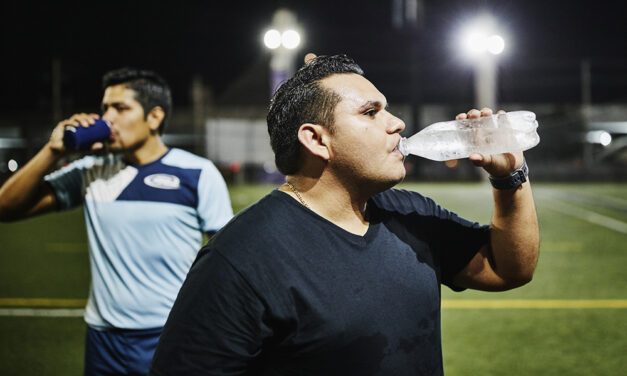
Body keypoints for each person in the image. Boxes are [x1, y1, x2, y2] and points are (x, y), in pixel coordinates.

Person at [149, 54, 539, 376]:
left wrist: (509, 178)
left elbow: (508, 269)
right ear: (317, 139)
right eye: (371, 112)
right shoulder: (240, 258)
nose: (397, 123)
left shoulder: (410, 213)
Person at [0, 68, 233, 375]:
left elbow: (228, 258)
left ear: (154, 117)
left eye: (121, 108)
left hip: (170, 335)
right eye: (105, 108)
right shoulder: (91, 170)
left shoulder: (197, 173)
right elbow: (5, 206)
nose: (108, 117)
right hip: (103, 341)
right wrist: (53, 151)